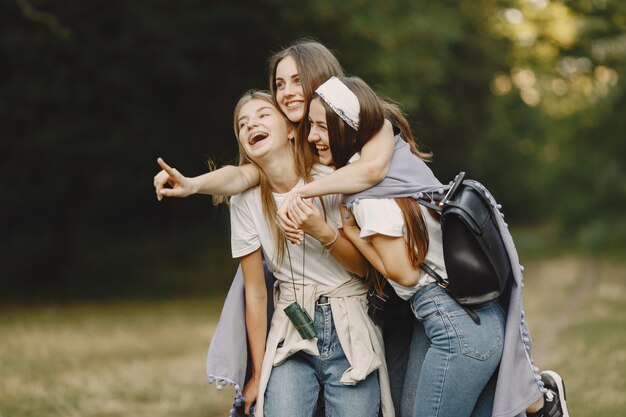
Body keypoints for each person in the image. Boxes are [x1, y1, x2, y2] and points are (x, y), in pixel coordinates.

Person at [287, 75, 569, 417]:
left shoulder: (367, 198)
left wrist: (349, 229)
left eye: (321, 126)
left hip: (455, 328)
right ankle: (546, 406)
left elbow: (403, 274)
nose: (312, 135)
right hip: (468, 319)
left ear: (347, 128)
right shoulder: (396, 163)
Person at [227, 89, 393, 417]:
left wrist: (322, 230)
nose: (251, 125)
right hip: (290, 334)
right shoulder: (243, 202)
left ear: (291, 128)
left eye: (262, 115)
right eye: (242, 124)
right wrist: (259, 374)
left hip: (350, 329)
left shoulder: (331, 180)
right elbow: (256, 295)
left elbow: (365, 269)